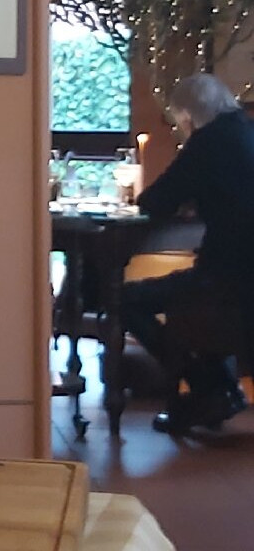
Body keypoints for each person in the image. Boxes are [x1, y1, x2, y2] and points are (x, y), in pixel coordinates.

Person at [122, 72, 254, 434]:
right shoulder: (246, 131)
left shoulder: (207, 143)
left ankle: (208, 388)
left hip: (224, 279)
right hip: (245, 279)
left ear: (188, 116)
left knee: (124, 300)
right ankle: (219, 389)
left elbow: (155, 200)